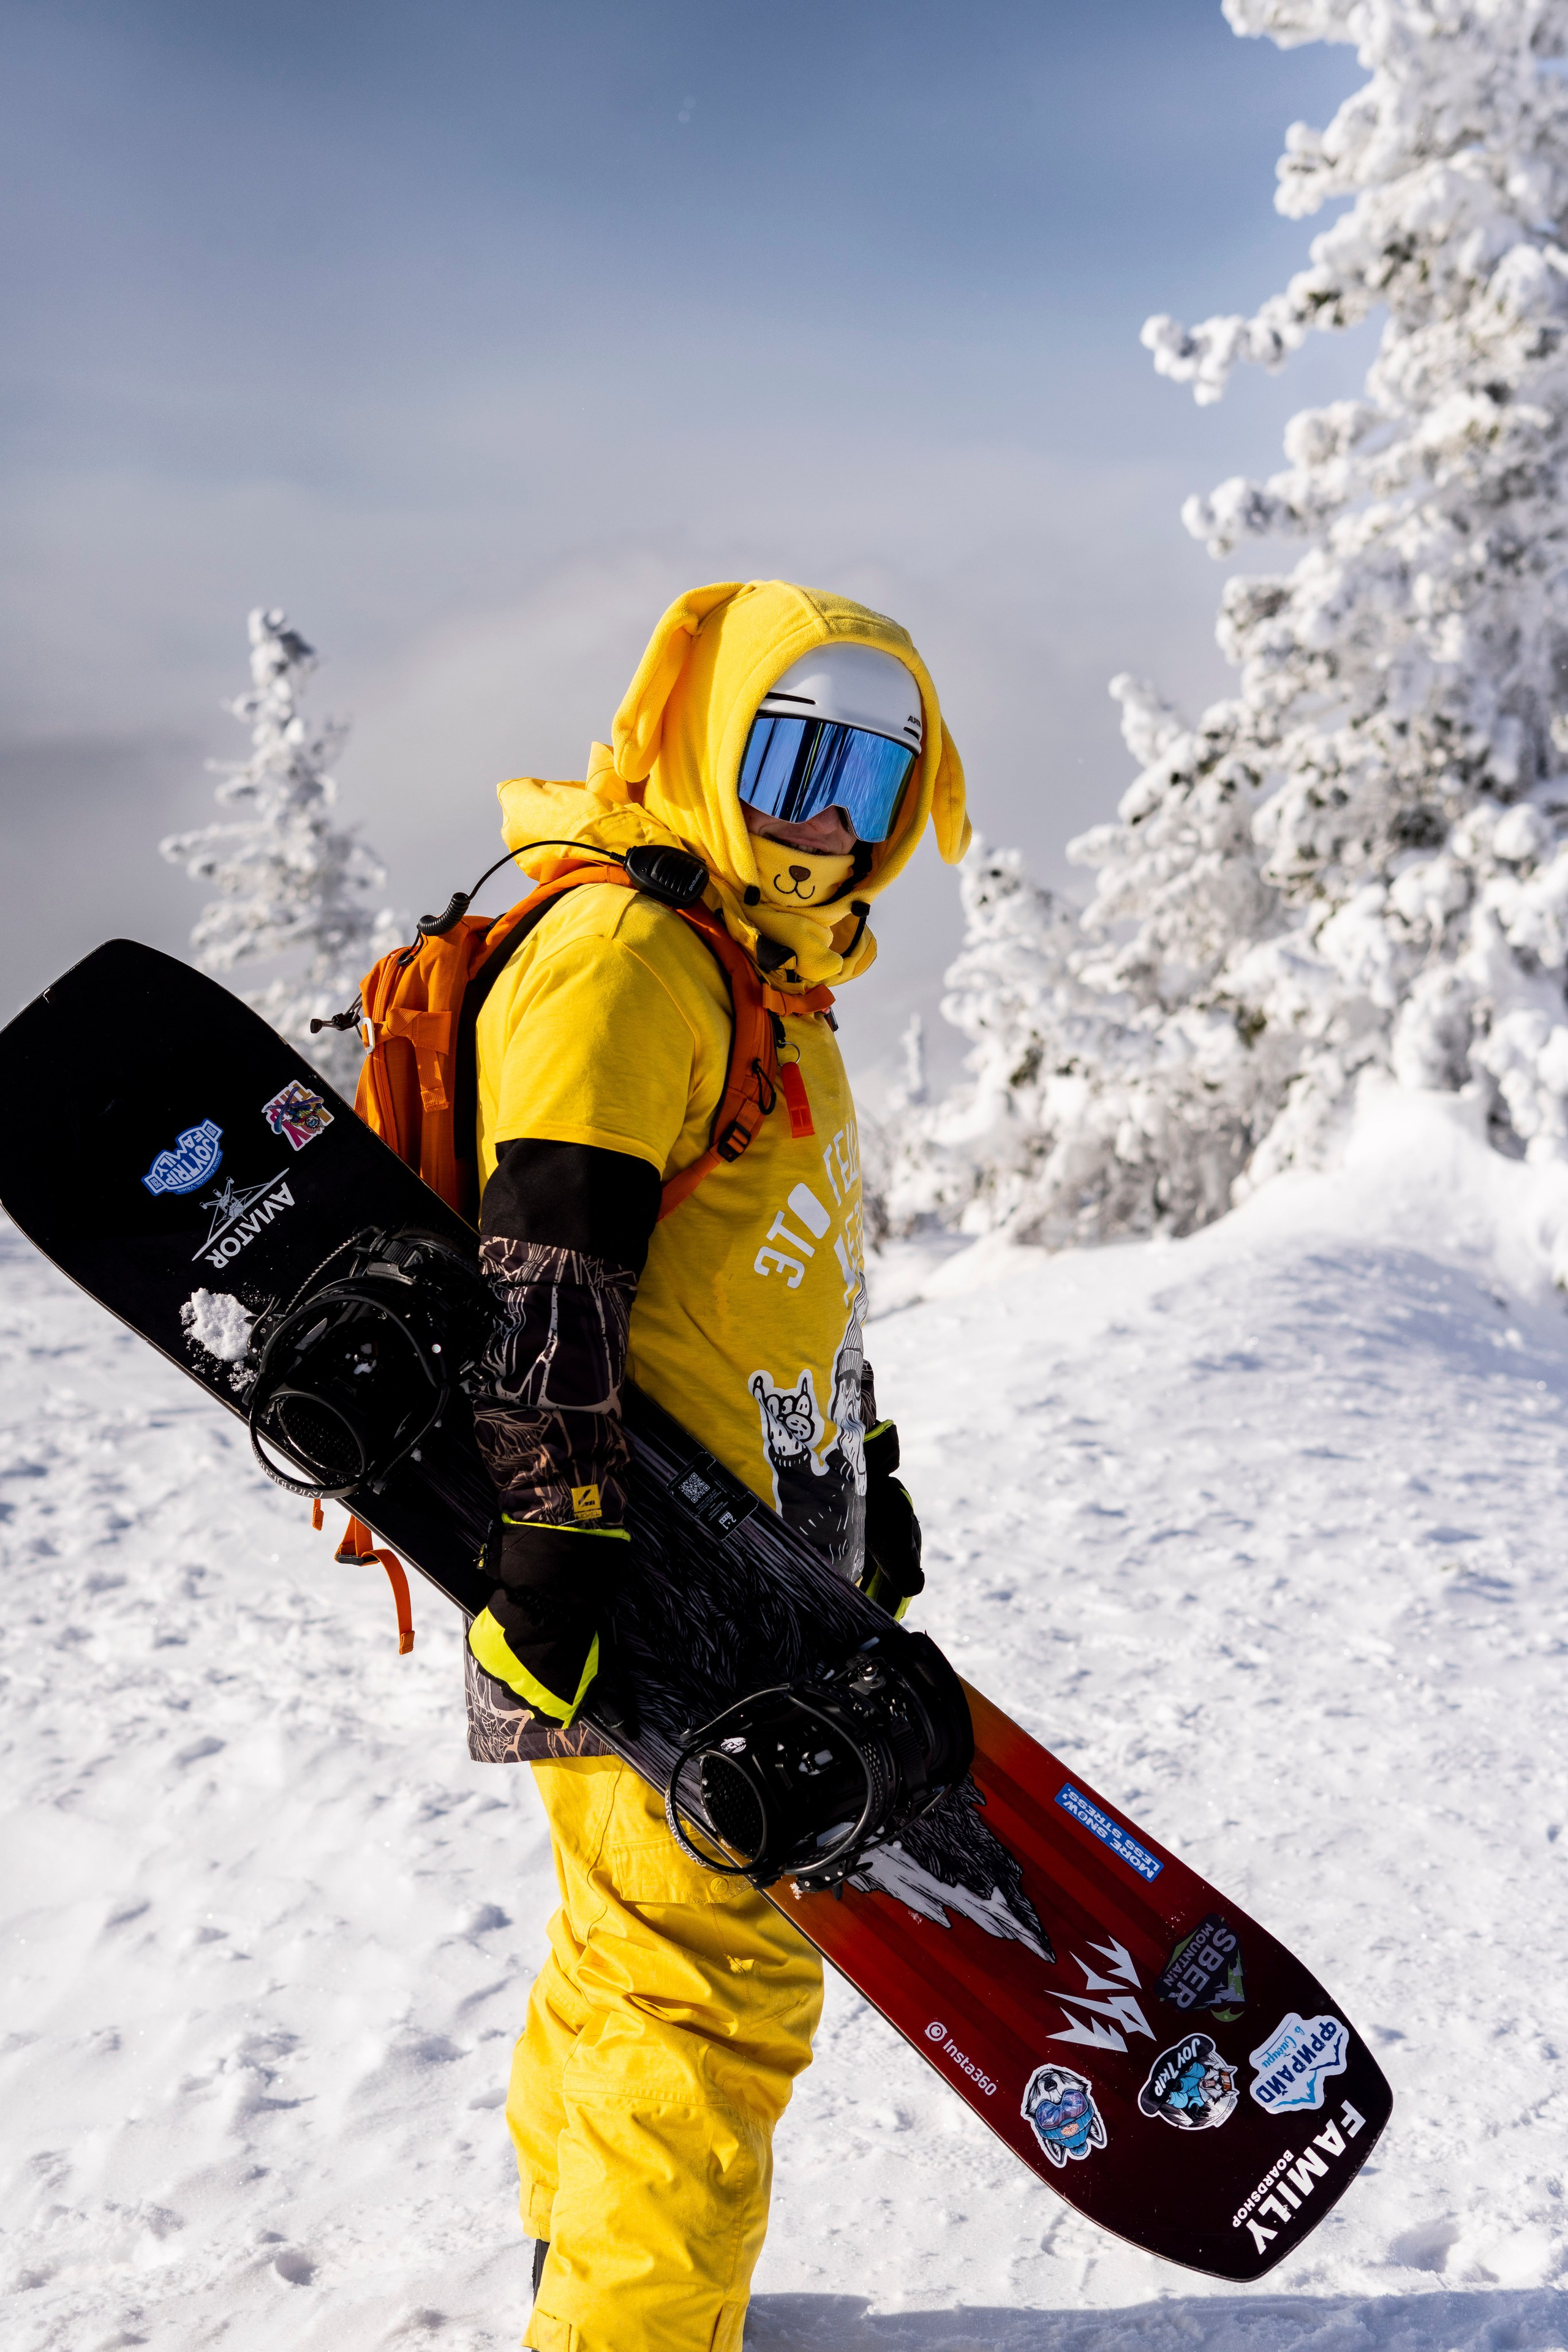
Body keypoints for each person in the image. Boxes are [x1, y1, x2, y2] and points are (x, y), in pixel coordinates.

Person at [462, 579, 968, 2352]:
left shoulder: (767, 975)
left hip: (744, 1567)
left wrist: (864, 1470)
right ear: (704, 740)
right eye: (790, 755)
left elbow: (782, 1258)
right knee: (706, 1989)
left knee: (633, 1960)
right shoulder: (632, 961)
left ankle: (584, 2284)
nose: (827, 821)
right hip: (635, 1580)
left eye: (872, 779)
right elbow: (549, 1275)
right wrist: (552, 1563)